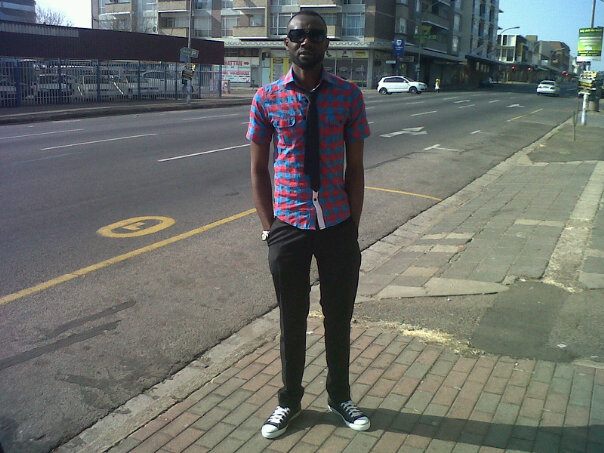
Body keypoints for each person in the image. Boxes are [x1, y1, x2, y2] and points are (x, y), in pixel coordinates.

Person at [247, 10, 371, 439]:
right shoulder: (266, 98)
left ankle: (340, 397)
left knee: (338, 317)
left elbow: (356, 168)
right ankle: (290, 401)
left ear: (326, 43)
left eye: (316, 34)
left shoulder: (349, 96)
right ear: (286, 42)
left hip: (337, 224)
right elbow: (258, 170)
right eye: (298, 34)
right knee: (291, 320)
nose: (307, 41)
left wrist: (352, 227)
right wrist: (269, 228)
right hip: (288, 225)